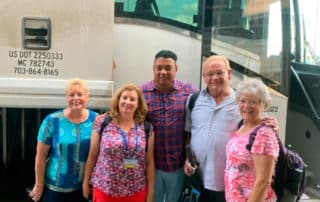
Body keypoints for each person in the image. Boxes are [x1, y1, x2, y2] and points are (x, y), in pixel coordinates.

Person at [184, 55, 277, 202]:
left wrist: (271, 124)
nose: (214, 78)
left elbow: (257, 122)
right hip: (198, 180)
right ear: (204, 77)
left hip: (229, 187)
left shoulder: (241, 101)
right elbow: (189, 133)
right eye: (209, 74)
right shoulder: (193, 100)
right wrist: (187, 158)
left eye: (219, 73)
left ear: (229, 73)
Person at [140, 50, 197, 202]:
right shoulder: (142, 92)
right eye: (159, 68)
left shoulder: (189, 91)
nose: (163, 72)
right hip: (152, 165)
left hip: (177, 165)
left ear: (175, 69)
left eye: (168, 68)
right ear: (153, 68)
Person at [82, 83, 155, 202]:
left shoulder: (146, 128)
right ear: (118, 100)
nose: (127, 102)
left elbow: (149, 162)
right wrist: (85, 183)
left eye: (132, 99)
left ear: (138, 104)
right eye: (124, 98)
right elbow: (92, 155)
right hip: (105, 188)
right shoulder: (102, 122)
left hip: (135, 190)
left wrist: (151, 193)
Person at [29, 78, 98, 202]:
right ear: (66, 97)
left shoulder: (97, 120)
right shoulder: (52, 120)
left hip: (85, 186)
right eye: (71, 95)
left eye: (80, 94)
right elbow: (41, 155)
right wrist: (39, 184)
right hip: (56, 186)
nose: (76, 98)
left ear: (87, 97)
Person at [224, 78, 279, 201]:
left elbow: (264, 181)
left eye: (253, 102)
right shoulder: (243, 126)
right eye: (243, 101)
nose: (247, 106)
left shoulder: (263, 134)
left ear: (264, 104)